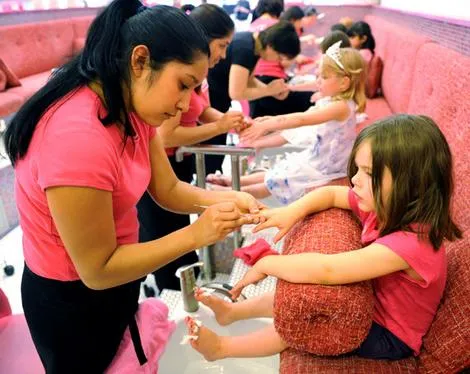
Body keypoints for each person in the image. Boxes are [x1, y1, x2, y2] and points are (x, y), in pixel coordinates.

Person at [3, 1, 263, 372]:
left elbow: (168, 190)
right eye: (183, 85)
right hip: (71, 300)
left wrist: (224, 198)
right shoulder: (77, 138)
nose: (185, 104)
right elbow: (97, 268)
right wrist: (197, 235)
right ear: (140, 61)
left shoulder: (131, 108)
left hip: (118, 276)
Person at [187, 114, 462, 362]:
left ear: (411, 183)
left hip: (390, 335)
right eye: (356, 169)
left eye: (368, 173)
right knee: (290, 295)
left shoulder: (410, 244)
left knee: (304, 316)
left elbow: (327, 270)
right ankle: (232, 313)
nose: (354, 180)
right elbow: (330, 194)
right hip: (374, 301)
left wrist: (266, 263)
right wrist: (291, 212)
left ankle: (222, 348)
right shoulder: (387, 206)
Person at [137, 3, 247, 291]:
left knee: (181, 232)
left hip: (178, 169)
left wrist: (226, 120)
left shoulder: (197, 77)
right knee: (165, 239)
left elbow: (201, 110)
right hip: (163, 167)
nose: (223, 55)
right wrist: (220, 127)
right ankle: (173, 295)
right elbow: (166, 137)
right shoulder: (174, 85)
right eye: (221, 46)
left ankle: (189, 286)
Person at [207, 44, 366, 205]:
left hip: (326, 168)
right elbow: (303, 117)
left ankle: (231, 192)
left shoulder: (341, 107)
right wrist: (269, 119)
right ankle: (234, 180)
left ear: (344, 83)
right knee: (277, 172)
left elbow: (301, 120)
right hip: (317, 158)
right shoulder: (332, 101)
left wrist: (268, 125)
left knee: (274, 183)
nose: (318, 81)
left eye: (323, 77)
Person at [205, 21, 300, 174]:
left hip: (217, 103)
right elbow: (236, 92)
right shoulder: (245, 49)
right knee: (210, 160)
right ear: (270, 46)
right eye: (279, 56)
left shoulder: (252, 45)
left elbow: (248, 79)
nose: (278, 61)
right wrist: (268, 90)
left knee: (214, 157)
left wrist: (271, 91)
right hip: (211, 104)